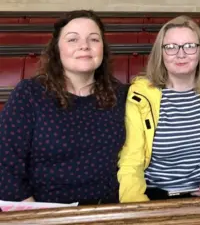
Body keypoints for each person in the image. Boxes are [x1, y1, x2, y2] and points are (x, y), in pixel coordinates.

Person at [0, 10, 128, 204]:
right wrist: (38, 217)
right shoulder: (29, 95)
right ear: (57, 49)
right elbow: (5, 168)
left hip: (111, 211)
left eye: (94, 39)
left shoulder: (122, 95)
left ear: (103, 48)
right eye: (72, 39)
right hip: (46, 213)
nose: (84, 46)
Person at [118, 16, 200, 202]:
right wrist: (137, 206)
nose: (181, 54)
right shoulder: (140, 93)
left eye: (189, 46)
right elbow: (131, 160)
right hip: (155, 194)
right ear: (161, 52)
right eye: (171, 47)